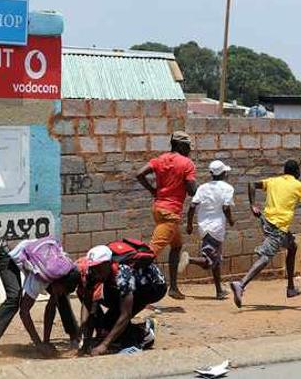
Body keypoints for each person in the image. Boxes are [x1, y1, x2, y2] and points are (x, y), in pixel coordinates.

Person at [230, 159, 301, 308]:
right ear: (297, 172)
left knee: (292, 247)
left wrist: (253, 205)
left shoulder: (273, 181)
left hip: (267, 221)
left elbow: (252, 184)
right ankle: (241, 284)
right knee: (265, 257)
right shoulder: (299, 186)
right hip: (278, 227)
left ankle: (291, 288)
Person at [0, 239, 81, 360]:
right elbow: (24, 312)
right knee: (14, 298)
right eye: (60, 289)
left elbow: (51, 308)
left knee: (61, 298)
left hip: (28, 254)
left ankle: (74, 337)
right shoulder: (40, 278)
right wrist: (38, 344)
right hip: (7, 255)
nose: (59, 292)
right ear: (57, 281)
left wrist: (46, 341)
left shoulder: (64, 269)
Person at [136, 131, 197, 299]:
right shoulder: (187, 163)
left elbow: (140, 173)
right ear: (180, 145)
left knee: (176, 246)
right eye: (187, 147)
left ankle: (174, 288)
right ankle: (133, 286)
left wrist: (153, 190)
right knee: (151, 252)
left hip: (159, 209)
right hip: (170, 213)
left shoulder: (159, 159)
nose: (189, 150)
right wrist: (195, 186)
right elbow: (192, 191)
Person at [78, 246, 166, 356]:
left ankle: (136, 341)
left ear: (108, 264)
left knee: (115, 320)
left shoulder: (123, 274)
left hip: (152, 287)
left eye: (98, 268)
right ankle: (141, 330)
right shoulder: (94, 272)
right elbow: (87, 302)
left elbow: (126, 314)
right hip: (129, 286)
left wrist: (104, 345)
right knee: (107, 323)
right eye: (93, 267)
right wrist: (84, 330)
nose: (95, 272)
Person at [181, 160, 236, 300]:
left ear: (212, 173)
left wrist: (189, 225)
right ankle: (190, 260)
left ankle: (219, 291)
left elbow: (192, 206)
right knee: (209, 261)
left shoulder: (202, 188)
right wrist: (231, 220)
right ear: (223, 173)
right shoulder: (227, 188)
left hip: (204, 227)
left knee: (215, 259)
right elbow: (225, 207)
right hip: (216, 228)